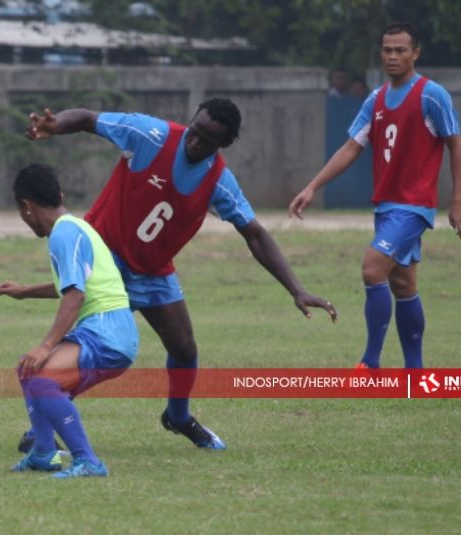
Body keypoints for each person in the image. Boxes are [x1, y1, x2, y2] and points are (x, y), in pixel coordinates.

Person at [24, 99, 338, 452]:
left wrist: (296, 289)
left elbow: (254, 234)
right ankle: (46, 423)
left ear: (225, 144)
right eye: (194, 131)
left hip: (154, 273)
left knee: (185, 349)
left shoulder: (219, 182)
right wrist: (55, 126)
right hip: (105, 262)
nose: (194, 142)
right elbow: (86, 118)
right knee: (97, 347)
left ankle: (177, 416)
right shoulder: (150, 134)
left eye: (206, 140)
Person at [288, 23, 461, 369]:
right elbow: (351, 147)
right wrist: (312, 187)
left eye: (401, 50)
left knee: (373, 270)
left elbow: (455, 145)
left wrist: (458, 199)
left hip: (413, 206)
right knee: (403, 284)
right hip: (386, 206)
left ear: (415, 53)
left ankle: (370, 363)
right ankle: (415, 372)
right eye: (387, 49)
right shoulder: (376, 99)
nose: (393, 56)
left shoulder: (432, 95)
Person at [0, 163, 139, 478]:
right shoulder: (75, 226)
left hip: (107, 332)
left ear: (26, 207)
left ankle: (88, 461)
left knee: (44, 380)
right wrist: (24, 291)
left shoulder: (63, 235)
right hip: (111, 329)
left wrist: (46, 346)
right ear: (60, 195)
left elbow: (75, 296)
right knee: (28, 368)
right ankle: (44, 453)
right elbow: (73, 285)